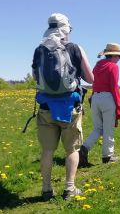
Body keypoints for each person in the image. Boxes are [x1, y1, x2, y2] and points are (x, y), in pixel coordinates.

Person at [32, 13, 94, 200]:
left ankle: (46, 190)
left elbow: (35, 77)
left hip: (46, 107)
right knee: (72, 150)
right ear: (66, 29)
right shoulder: (74, 48)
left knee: (47, 151)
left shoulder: (39, 49)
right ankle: (69, 188)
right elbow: (90, 79)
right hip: (69, 107)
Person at [79, 43, 120, 165]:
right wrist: (119, 103)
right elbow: (114, 86)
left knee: (98, 128)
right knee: (108, 129)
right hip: (107, 98)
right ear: (113, 55)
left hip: (95, 98)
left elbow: (94, 83)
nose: (119, 59)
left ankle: (83, 149)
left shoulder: (98, 65)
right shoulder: (113, 67)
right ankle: (107, 157)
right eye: (119, 56)